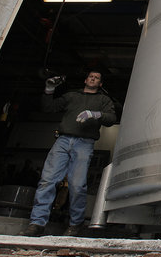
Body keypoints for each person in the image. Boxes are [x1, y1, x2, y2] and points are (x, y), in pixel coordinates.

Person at [21, 71, 116, 237]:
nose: (93, 78)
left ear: (100, 84)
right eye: (91, 76)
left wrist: (95, 114)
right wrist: (49, 90)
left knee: (77, 185)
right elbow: (49, 107)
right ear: (85, 80)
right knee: (48, 180)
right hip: (63, 140)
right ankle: (36, 223)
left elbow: (111, 118)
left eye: (97, 78)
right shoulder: (71, 96)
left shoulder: (103, 100)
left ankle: (75, 225)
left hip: (84, 143)